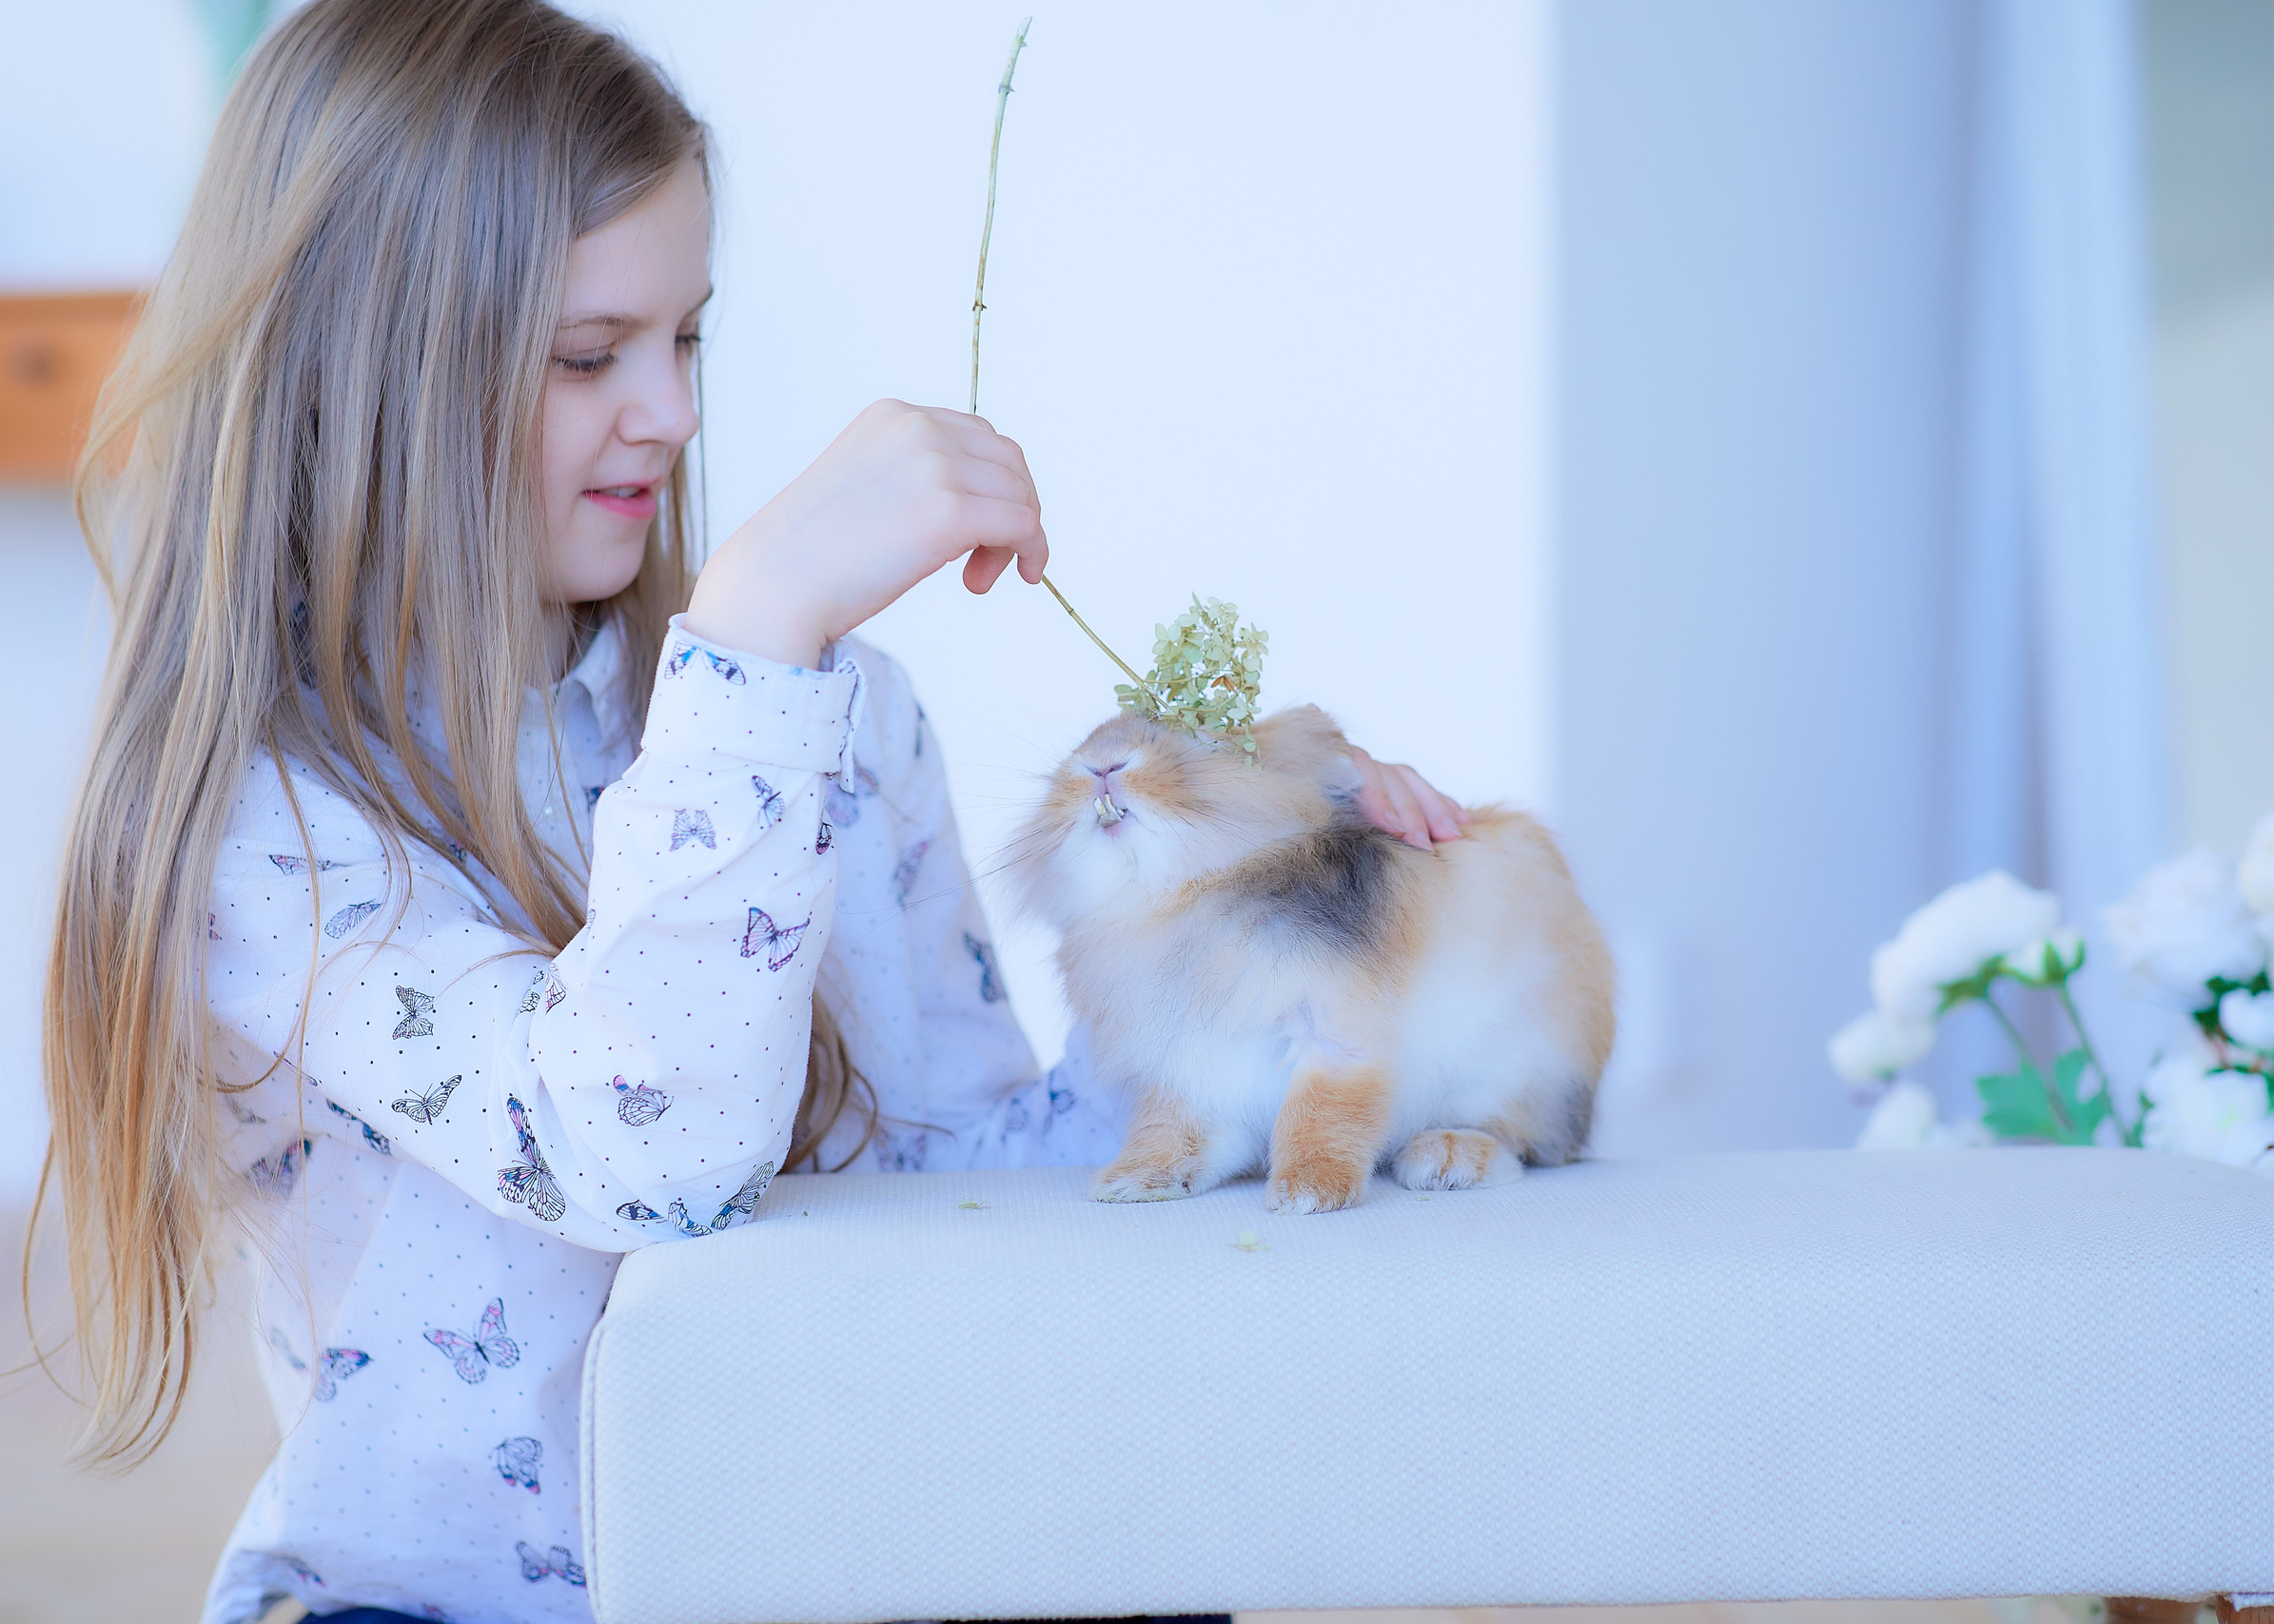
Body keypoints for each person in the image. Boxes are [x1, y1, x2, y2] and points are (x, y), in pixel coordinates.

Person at [38, 2, 1470, 1620]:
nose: (674, 411)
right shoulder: (273, 834)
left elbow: (971, 1181)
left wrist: (1255, 919)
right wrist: (759, 629)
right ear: (370, 372)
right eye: (591, 356)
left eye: (688, 339)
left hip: (811, 1563)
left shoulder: (820, 725)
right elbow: (643, 1152)